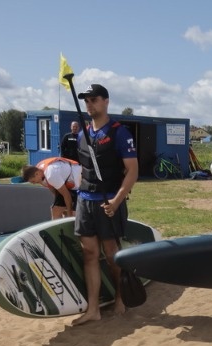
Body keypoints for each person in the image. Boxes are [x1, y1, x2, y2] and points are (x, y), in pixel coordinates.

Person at [73, 83, 139, 324]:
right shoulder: (82, 133)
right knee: (89, 253)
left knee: (112, 254)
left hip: (108, 201)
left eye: (94, 100)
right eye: (86, 101)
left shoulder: (119, 132)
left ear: (106, 102)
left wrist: (116, 200)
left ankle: (120, 297)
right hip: (85, 200)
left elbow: (132, 171)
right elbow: (84, 169)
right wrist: (77, 199)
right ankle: (93, 310)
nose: (89, 104)